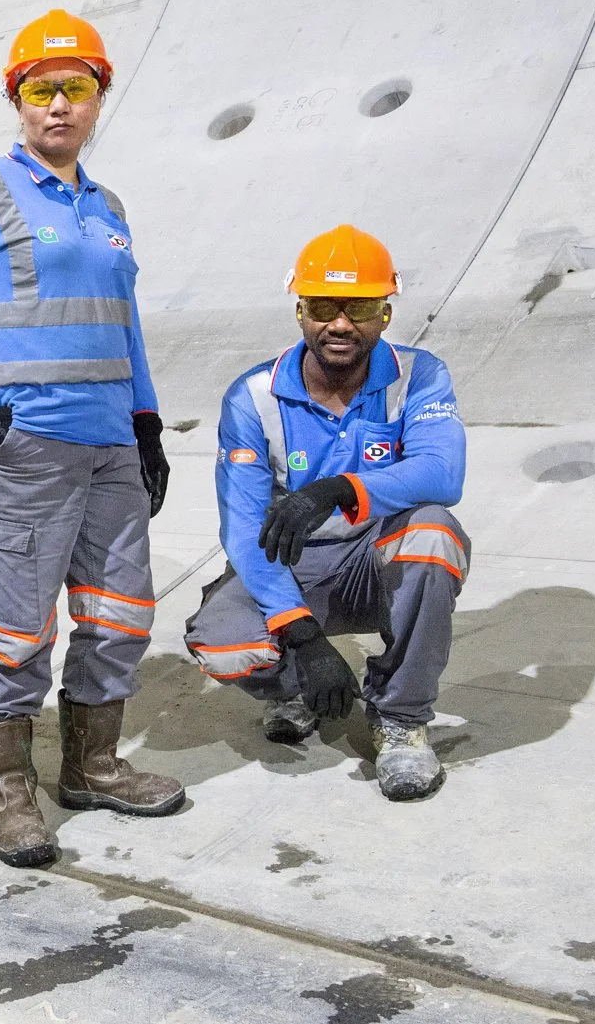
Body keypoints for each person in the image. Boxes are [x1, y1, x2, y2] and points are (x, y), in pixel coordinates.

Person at [0, 9, 181, 868]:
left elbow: (124, 323)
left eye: (77, 88)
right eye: (41, 89)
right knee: (18, 628)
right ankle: (11, 794)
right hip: (27, 446)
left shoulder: (108, 207)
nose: (59, 105)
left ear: (100, 97)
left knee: (118, 614)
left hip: (110, 450)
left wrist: (147, 426)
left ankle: (93, 765)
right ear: (17, 100)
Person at [185, 225, 468, 801]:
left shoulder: (417, 375)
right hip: (294, 568)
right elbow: (242, 529)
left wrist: (337, 489)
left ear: (384, 313)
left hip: (375, 558)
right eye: (323, 306)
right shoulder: (255, 396)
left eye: (360, 306)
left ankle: (402, 720)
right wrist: (307, 641)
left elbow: (444, 473)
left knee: (434, 533)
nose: (340, 324)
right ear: (300, 312)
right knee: (220, 640)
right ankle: (296, 686)